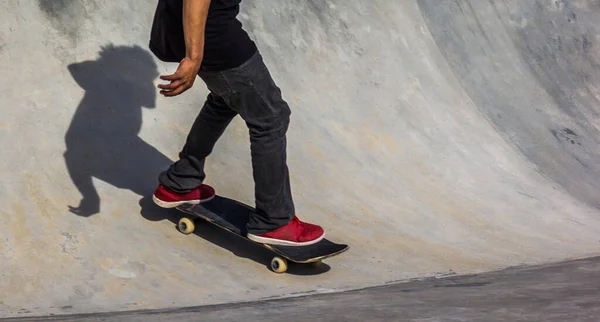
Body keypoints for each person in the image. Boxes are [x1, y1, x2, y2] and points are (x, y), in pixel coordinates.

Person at [149, 0, 325, 246]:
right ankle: (274, 221)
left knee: (224, 100)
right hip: (214, 38)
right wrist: (193, 57)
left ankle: (181, 180)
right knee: (271, 118)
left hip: (193, 31)